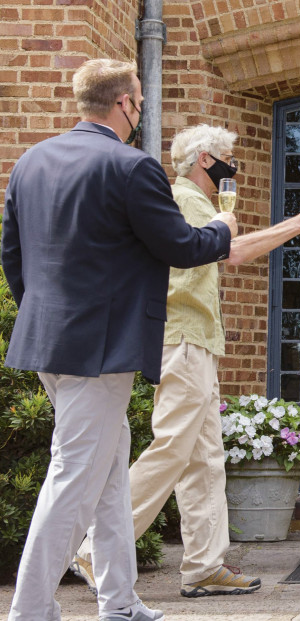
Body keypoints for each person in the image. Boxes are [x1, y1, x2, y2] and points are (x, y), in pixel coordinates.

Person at [1, 59, 237, 621]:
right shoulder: (133, 168)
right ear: (125, 104)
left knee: (109, 473)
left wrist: (43, 314)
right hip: (101, 348)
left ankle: (120, 600)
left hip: (47, 341)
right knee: (75, 475)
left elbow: (12, 256)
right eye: (139, 101)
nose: (140, 111)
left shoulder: (29, 162)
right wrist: (222, 231)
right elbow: (180, 245)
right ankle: (30, 608)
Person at [70, 124, 300, 598]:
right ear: (205, 159)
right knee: (173, 447)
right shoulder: (189, 198)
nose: (235, 165)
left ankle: (204, 565)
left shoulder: (196, 201)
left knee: (205, 460)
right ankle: (97, 548)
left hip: (196, 343)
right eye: (228, 156)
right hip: (184, 342)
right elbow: (232, 252)